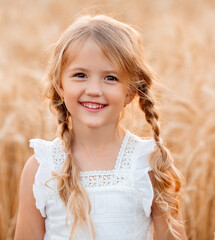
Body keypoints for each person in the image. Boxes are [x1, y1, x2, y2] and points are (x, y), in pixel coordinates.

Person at [15, 15, 187, 240]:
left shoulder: (149, 164)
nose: (94, 89)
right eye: (80, 75)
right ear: (60, 85)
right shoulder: (41, 168)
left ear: (130, 91)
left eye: (110, 78)